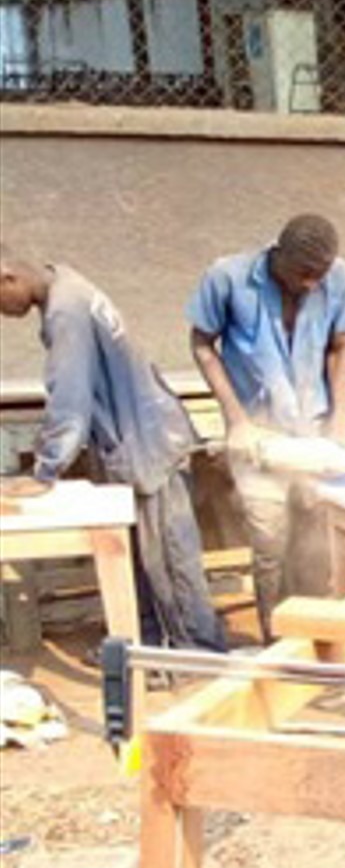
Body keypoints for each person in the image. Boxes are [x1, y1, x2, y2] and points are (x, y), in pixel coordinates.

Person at [0, 248, 226, 652]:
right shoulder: (67, 282)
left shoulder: (64, 311)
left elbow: (70, 394)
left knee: (168, 564)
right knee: (144, 561)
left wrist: (45, 470)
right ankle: (150, 647)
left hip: (148, 443)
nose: (2, 313)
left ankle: (195, 656)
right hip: (142, 437)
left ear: (7, 277)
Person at [188, 214, 345, 640]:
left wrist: (339, 422)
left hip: (314, 429)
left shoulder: (339, 279)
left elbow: (341, 348)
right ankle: (277, 640)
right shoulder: (228, 278)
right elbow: (201, 344)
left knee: (314, 537)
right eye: (302, 273)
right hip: (259, 436)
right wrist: (237, 420)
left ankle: (317, 639)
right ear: (277, 255)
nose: (309, 284)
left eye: (317, 276)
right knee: (269, 542)